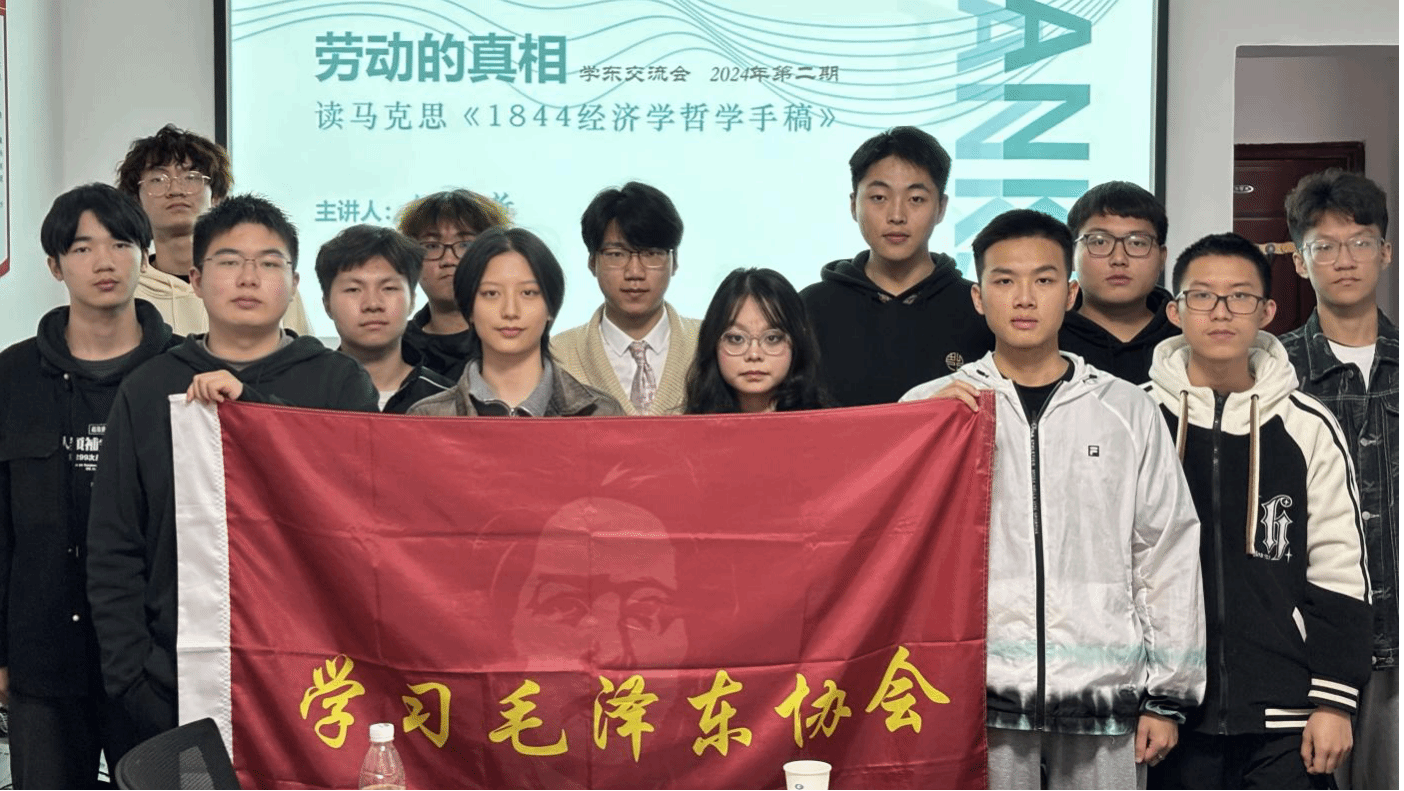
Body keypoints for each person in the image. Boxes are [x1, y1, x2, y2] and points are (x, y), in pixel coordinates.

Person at [901, 209, 1204, 790]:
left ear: (1069, 294)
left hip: (1104, 691)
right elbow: (893, 550)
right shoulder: (932, 407)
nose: (1024, 298)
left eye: (1042, 280)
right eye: (1004, 280)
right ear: (978, 297)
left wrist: (1168, 695)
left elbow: (1165, 551)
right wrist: (917, 434)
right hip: (974, 692)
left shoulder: (1128, 409)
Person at [86, 195, 378, 756]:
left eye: (269, 263)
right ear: (195, 280)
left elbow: (354, 513)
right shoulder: (149, 387)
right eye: (228, 261)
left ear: (293, 284)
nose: (248, 278)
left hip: (317, 676)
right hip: (174, 678)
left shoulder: (340, 384)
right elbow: (114, 541)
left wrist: (254, 408)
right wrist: (133, 677)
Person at [1145, 232, 1372, 790]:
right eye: (1202, 296)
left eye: (1240, 296)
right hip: (1169, 715)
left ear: (1267, 311)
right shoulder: (1137, 419)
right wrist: (1146, 696)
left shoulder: (1307, 425)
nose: (1221, 312)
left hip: (1287, 716)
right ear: (1175, 311)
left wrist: (1335, 701)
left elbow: (1340, 567)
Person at [0, 185, 179, 787]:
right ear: (55, 266)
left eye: (121, 243)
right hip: (43, 656)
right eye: (82, 248)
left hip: (162, 661)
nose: (105, 261)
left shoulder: (185, 374)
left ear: (146, 257)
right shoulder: (11, 376)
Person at [1278, 169, 1396, 791]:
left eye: (1359, 242)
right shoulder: (1271, 370)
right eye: (1324, 246)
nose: (1344, 260)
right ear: (1300, 261)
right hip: (1302, 642)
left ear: (1385, 251)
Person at [799, 125, 993, 406]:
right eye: (879, 197)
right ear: (854, 205)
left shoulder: (981, 308)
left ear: (941, 207)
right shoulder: (810, 308)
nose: (897, 215)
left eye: (916, 199)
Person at [116, 124, 311, 335]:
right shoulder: (124, 290)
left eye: (191, 177)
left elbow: (301, 352)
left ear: (216, 196)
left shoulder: (266, 281)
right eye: (157, 180)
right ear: (136, 200)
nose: (175, 190)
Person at [407, 227, 623, 418]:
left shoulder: (601, 413)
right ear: (469, 308)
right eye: (491, 293)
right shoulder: (428, 417)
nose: (510, 311)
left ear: (551, 307)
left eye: (528, 293)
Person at [552, 182, 702, 415]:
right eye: (616, 254)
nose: (634, 272)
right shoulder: (557, 357)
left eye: (651, 253)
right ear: (592, 261)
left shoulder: (710, 345)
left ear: (675, 262)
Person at [315, 224, 452, 413]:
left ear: (412, 300)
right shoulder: (301, 395)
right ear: (327, 304)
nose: (372, 304)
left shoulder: (449, 402)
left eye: (389, 288)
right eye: (353, 289)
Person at [1059, 181, 1179, 383]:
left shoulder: (1189, 339)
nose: (1119, 259)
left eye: (1137, 243)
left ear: (1162, 258)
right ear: (1070, 256)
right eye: (1099, 241)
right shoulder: (1044, 339)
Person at [396, 189, 511, 380]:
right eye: (432, 246)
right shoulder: (391, 347)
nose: (448, 260)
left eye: (465, 244)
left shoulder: (519, 342)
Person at [683, 268, 829, 414]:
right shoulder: (686, 426)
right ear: (712, 342)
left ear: (797, 341)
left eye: (772, 338)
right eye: (737, 338)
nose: (754, 355)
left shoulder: (829, 425)